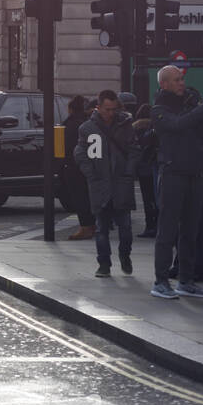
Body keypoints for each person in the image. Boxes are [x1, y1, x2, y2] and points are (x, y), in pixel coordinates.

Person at [149, 65, 203, 300]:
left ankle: (186, 280)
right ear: (164, 84)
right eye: (176, 80)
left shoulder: (190, 105)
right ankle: (160, 281)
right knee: (167, 230)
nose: (182, 83)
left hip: (195, 175)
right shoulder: (159, 110)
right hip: (173, 174)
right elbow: (177, 124)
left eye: (182, 79)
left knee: (190, 231)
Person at [75, 90, 140, 277]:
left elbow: (135, 150)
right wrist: (90, 173)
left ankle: (124, 255)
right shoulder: (87, 128)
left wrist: (128, 171)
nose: (110, 113)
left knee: (125, 228)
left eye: (113, 109)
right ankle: (104, 263)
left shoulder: (125, 126)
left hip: (120, 182)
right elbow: (80, 153)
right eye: (106, 109)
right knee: (102, 227)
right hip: (100, 183)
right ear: (99, 107)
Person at [62, 95, 96, 240]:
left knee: (79, 197)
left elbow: (68, 146)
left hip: (74, 165)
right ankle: (91, 225)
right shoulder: (88, 122)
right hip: (88, 163)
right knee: (87, 196)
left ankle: (86, 226)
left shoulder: (71, 124)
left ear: (70, 109)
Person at [132, 103, 159, 238]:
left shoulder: (134, 129)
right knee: (157, 198)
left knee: (147, 199)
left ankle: (150, 226)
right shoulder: (155, 127)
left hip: (143, 169)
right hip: (154, 166)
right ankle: (158, 224)